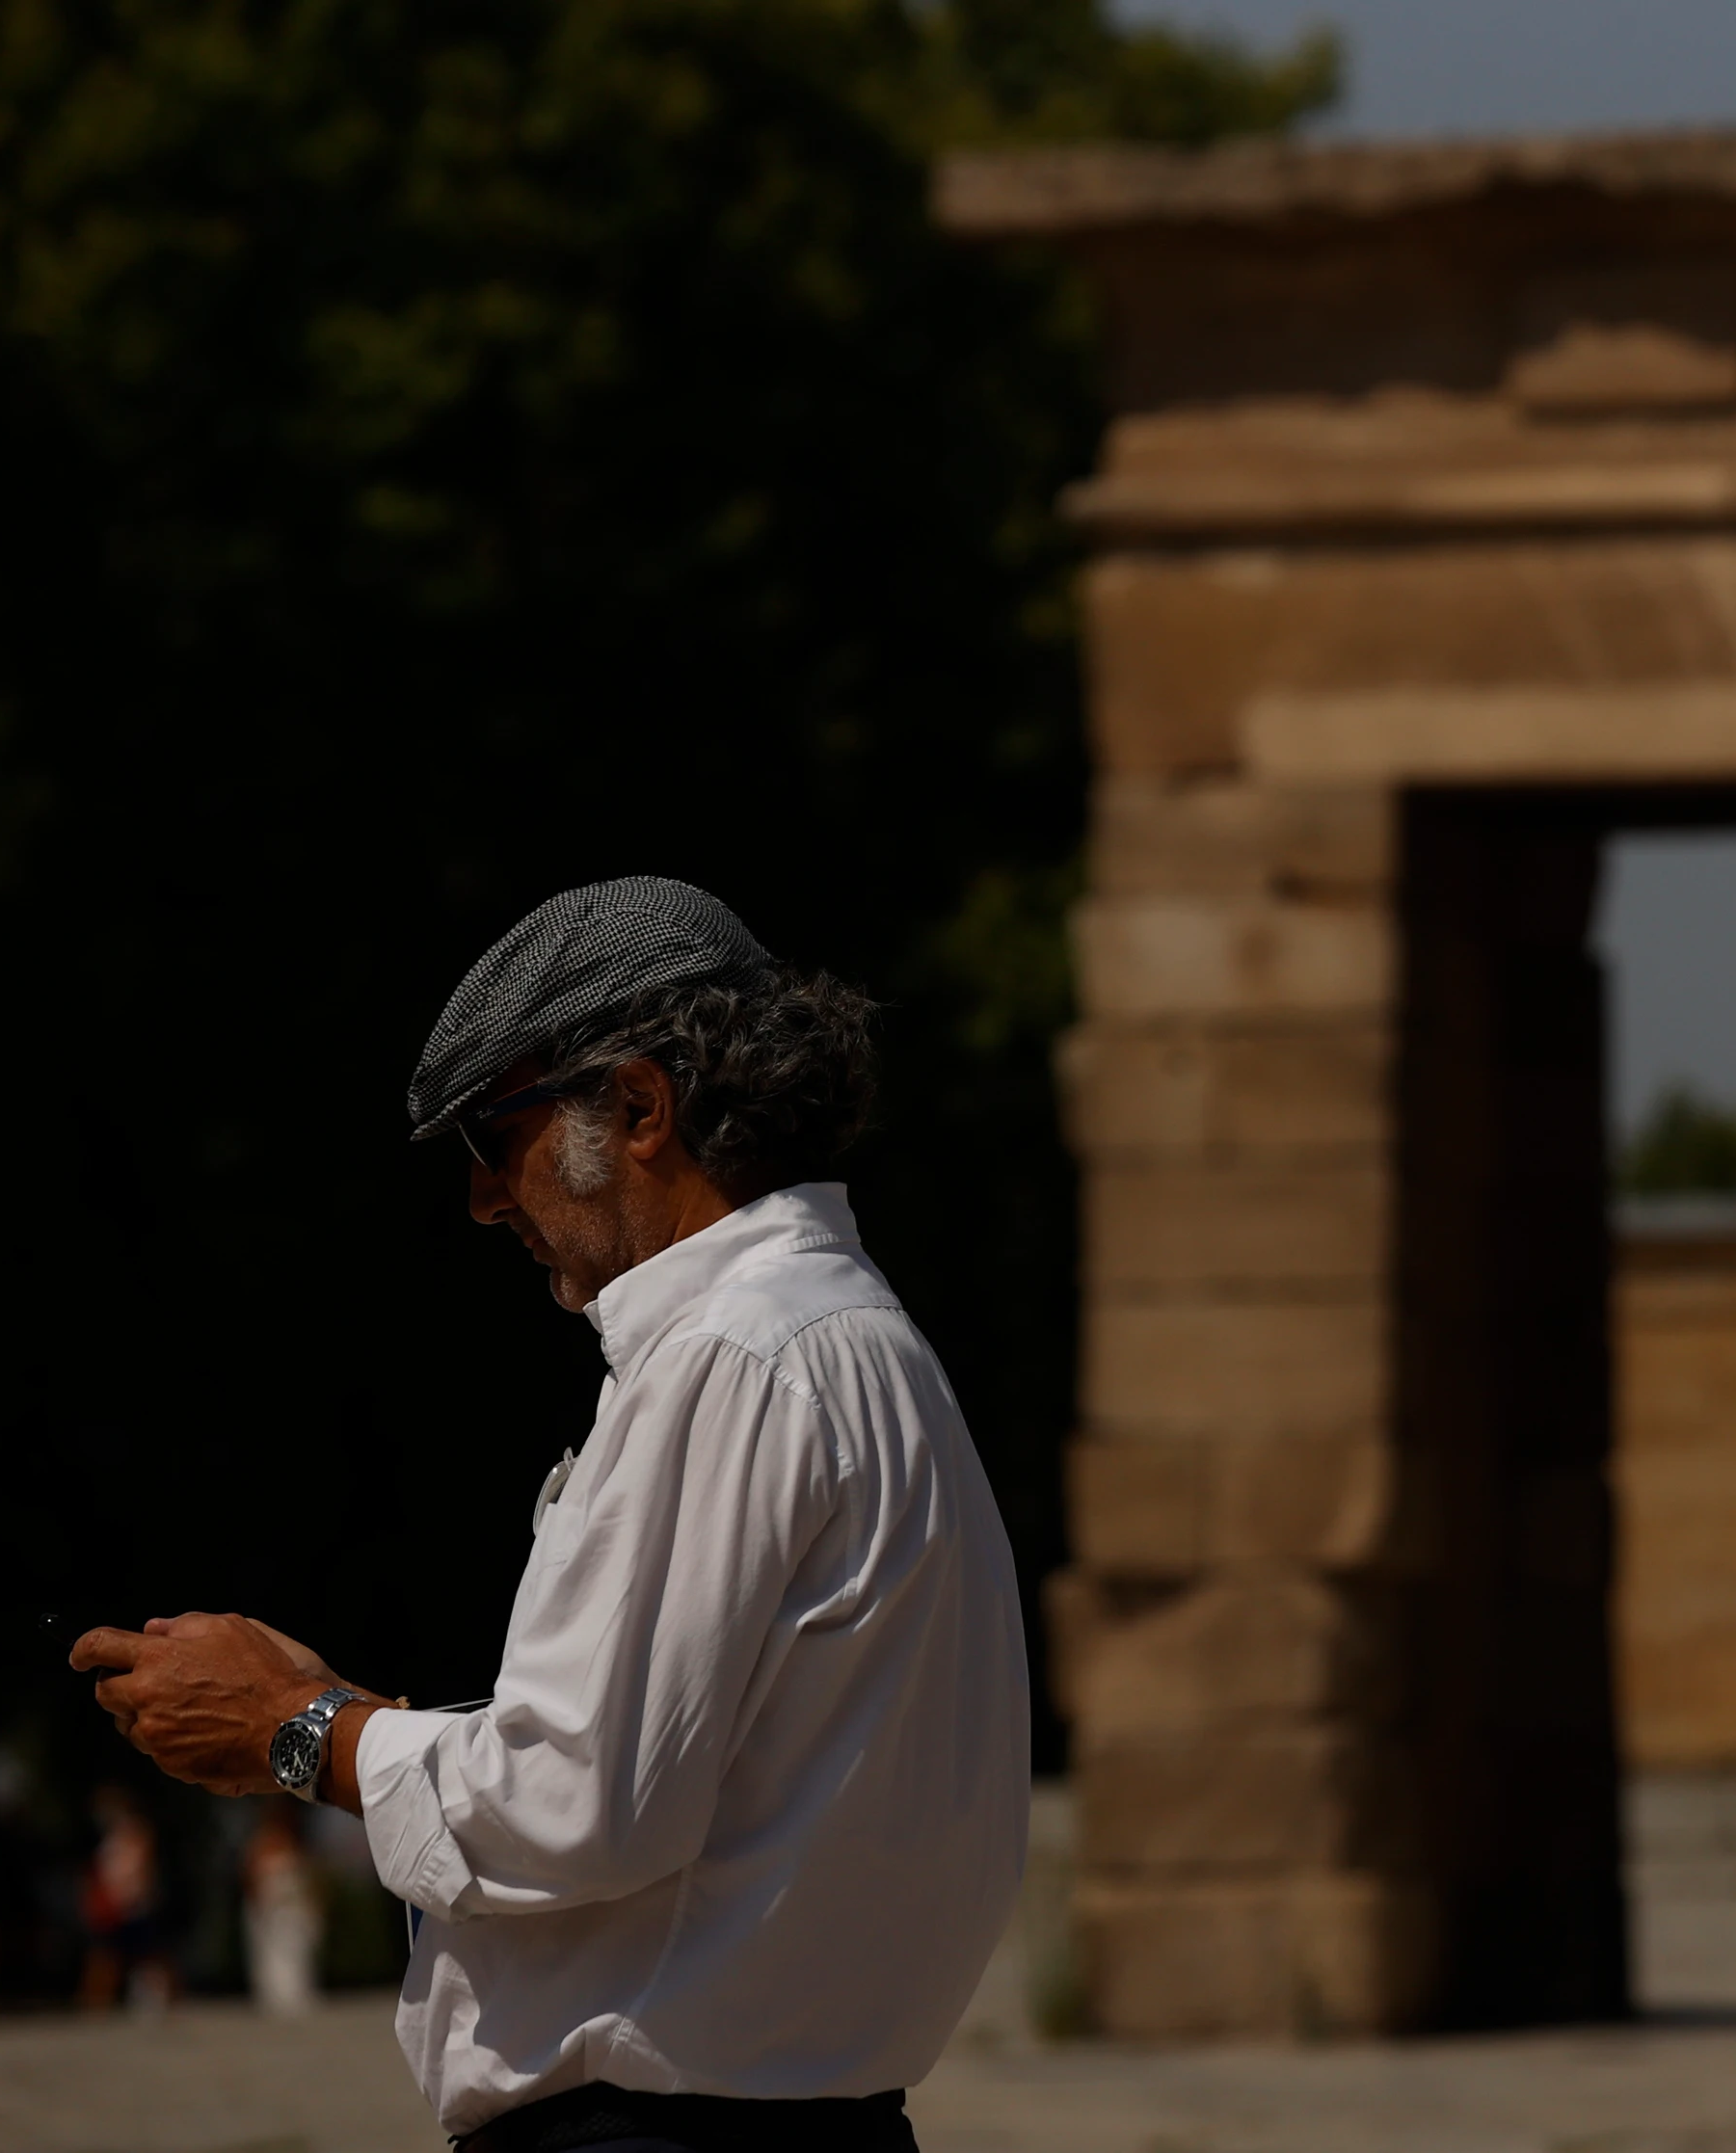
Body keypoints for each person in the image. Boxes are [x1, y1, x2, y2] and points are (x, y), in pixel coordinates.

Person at [73, 878, 1031, 2152]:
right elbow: (678, 1777)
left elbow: (584, 1797)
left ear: (638, 1105)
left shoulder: (734, 1358)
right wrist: (378, 1724)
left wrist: (296, 1729)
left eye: (492, 1134)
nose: (482, 1200)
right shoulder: (841, 1338)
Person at [78, 1782, 173, 2014]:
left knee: (148, 1956)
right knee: (107, 1956)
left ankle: (165, 1999)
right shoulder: (110, 1837)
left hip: (134, 1905)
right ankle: (95, 2004)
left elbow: (141, 1870)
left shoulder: (136, 1832)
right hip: (112, 1905)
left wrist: (134, 1894)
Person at [243, 1800, 321, 2017]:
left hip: (292, 1912)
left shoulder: (294, 1844)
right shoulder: (260, 1845)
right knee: (273, 1956)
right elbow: (253, 1880)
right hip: (272, 1911)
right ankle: (274, 1997)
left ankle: (295, 1995)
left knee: (295, 1954)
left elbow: (305, 1880)